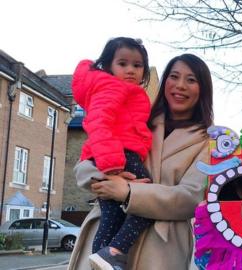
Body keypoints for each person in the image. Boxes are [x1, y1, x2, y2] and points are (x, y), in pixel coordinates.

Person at [68, 53, 214, 270]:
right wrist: (108, 179)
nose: (180, 85)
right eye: (174, 77)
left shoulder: (209, 141)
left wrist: (129, 193)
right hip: (106, 231)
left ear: (202, 89)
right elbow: (85, 164)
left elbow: (191, 197)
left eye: (191, 80)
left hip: (161, 250)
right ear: (165, 82)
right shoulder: (135, 120)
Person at [71, 37, 154, 270]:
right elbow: (98, 122)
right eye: (123, 63)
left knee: (112, 215)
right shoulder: (112, 86)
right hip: (120, 155)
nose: (130, 70)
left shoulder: (118, 88)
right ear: (108, 66)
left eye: (137, 66)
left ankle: (100, 259)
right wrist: (113, 167)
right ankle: (115, 252)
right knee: (145, 202)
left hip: (108, 155)